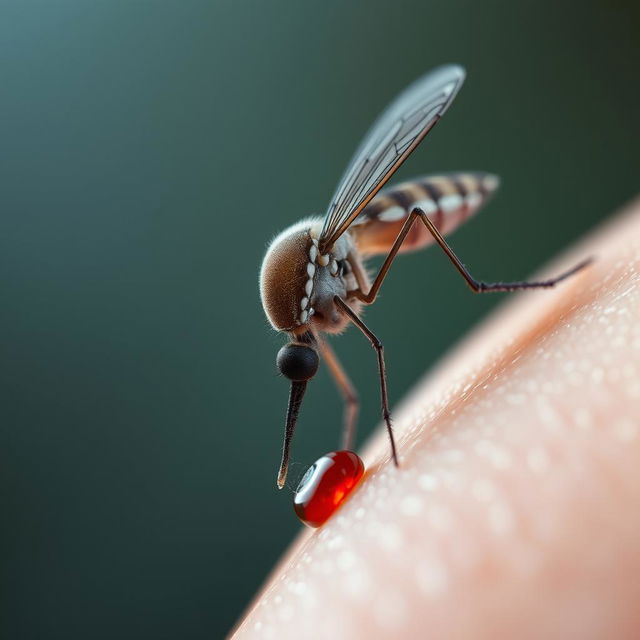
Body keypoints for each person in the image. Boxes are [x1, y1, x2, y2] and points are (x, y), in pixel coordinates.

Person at [232, 200, 640, 639]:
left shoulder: (314, 287)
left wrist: (384, 425)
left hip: (413, 213)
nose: (312, 343)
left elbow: (377, 346)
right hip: (324, 259)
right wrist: (350, 404)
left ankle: (481, 286)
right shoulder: (306, 308)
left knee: (413, 225)